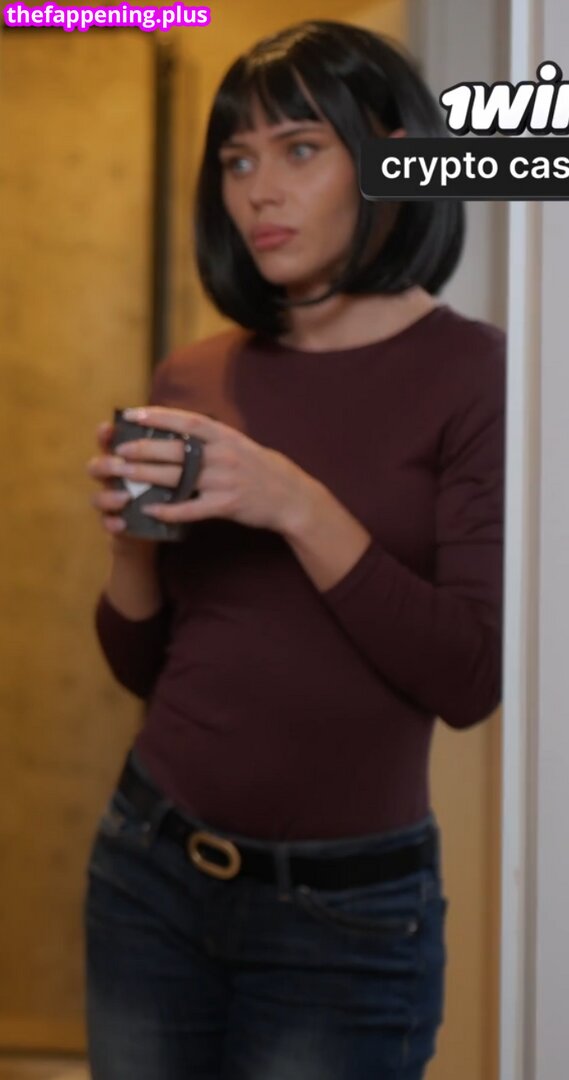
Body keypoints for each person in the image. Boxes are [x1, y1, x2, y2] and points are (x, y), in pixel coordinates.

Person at [83, 19, 505, 1080]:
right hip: (148, 871)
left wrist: (294, 503)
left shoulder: (479, 377)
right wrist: (130, 546)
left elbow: (468, 678)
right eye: (237, 161)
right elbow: (144, 667)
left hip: (346, 923)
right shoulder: (193, 375)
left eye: (299, 149)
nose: (258, 192)